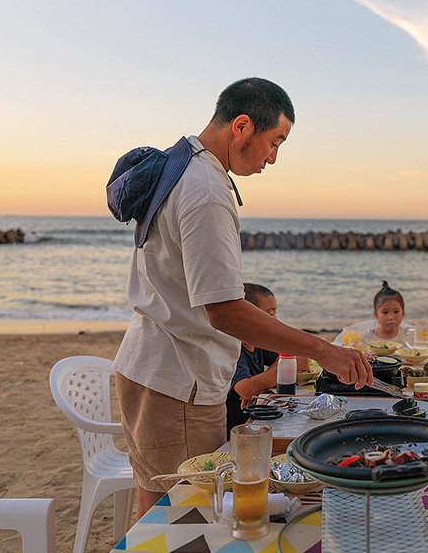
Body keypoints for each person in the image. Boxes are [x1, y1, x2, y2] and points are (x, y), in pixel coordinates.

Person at [112, 78, 373, 519]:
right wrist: (322, 350)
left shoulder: (180, 164)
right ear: (242, 126)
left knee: (156, 505)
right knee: (185, 515)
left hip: (149, 368)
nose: (274, 157)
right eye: (275, 142)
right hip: (179, 382)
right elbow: (224, 310)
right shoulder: (207, 190)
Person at [225, 283, 311, 432]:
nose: (275, 321)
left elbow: (303, 358)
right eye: (270, 315)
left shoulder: (257, 344)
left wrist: (259, 384)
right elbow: (246, 389)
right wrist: (283, 366)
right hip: (239, 429)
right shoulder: (232, 349)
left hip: (257, 420)